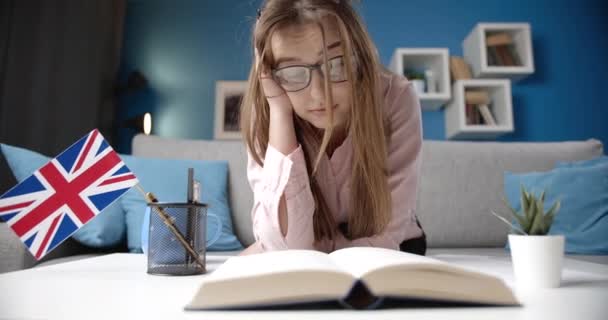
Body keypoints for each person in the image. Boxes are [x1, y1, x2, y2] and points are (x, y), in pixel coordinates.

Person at [239, 0, 426, 256]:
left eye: (336, 64)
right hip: (307, 253)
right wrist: (281, 113)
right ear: (269, 75)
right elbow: (288, 249)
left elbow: (386, 238)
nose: (319, 94)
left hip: (393, 249)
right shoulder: (269, 111)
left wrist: (283, 249)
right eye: (292, 73)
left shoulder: (396, 98)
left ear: (360, 57)